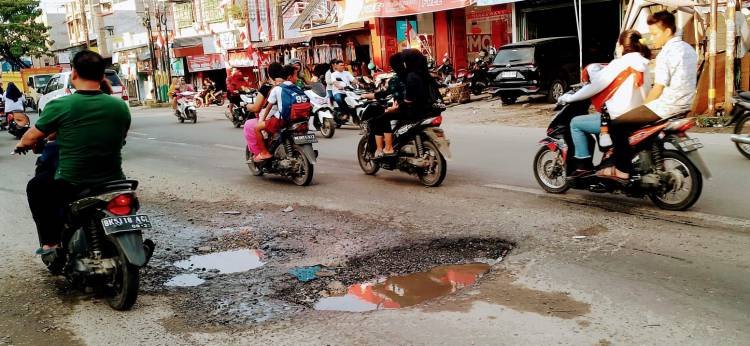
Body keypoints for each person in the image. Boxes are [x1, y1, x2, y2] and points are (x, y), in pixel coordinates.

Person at [16, 50, 131, 255]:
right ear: (103, 77)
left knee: (36, 187)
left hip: (73, 182)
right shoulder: (120, 106)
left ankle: (51, 243)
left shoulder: (61, 104)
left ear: (74, 74)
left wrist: (22, 145)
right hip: (113, 179)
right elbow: (121, 138)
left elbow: (30, 137)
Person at [599, 11, 697, 180]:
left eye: (655, 34)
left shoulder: (666, 53)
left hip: (667, 105)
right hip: (686, 103)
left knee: (617, 124)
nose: (652, 38)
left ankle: (622, 169)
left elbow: (658, 88)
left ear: (667, 31)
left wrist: (641, 107)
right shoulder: (688, 48)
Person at [558, 30, 652, 176]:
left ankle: (582, 166)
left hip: (618, 118)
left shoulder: (620, 63)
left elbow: (595, 86)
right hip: (638, 116)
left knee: (576, 123)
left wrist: (568, 98)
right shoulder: (645, 64)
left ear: (621, 46)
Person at [253, 65, 309, 161]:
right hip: (299, 119)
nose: (297, 78)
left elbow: (268, 107)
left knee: (257, 128)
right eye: (296, 76)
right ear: (289, 77)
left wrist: (262, 119)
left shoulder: (277, 89)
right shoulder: (298, 89)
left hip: (282, 119)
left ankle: (264, 153)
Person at [369, 52, 408, 157]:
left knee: (380, 119)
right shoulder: (420, 75)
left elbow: (385, 93)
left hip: (407, 109)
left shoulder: (397, 79)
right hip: (426, 109)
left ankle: (387, 148)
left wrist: (368, 95)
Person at [243, 63, 286, 156]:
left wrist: (247, 106)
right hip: (289, 116)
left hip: (275, 118)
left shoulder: (267, 87)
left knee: (250, 125)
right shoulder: (289, 84)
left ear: (269, 74)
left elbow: (256, 108)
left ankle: (262, 153)